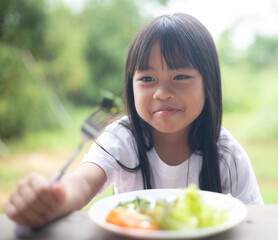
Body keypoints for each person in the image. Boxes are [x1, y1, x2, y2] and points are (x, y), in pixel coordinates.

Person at [4, 13, 263, 229]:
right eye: (147, 79)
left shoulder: (225, 152)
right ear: (131, 86)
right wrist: (55, 199)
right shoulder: (122, 138)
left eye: (181, 76)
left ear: (209, 84)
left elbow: (255, 221)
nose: (162, 93)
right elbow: (83, 182)